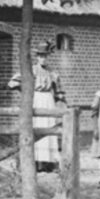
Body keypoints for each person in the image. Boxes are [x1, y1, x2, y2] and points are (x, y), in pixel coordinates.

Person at [7, 40, 65, 173]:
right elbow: (12, 82)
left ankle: (49, 162)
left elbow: (59, 91)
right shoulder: (31, 70)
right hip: (35, 98)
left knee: (48, 128)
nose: (43, 59)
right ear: (37, 57)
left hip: (48, 100)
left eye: (45, 56)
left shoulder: (52, 72)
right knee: (35, 127)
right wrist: (25, 88)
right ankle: (35, 161)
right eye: (40, 56)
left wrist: (60, 99)